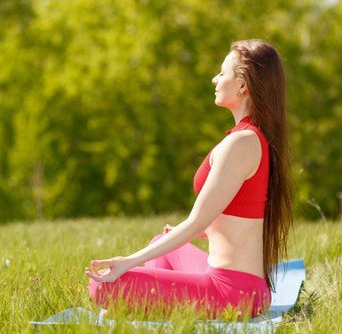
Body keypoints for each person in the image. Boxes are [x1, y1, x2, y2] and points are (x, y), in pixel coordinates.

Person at [85, 39, 293, 319]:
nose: (214, 79)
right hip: (239, 286)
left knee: (104, 288)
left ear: (243, 85)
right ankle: (151, 304)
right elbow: (234, 218)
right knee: (161, 241)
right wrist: (196, 233)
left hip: (233, 294)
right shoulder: (249, 139)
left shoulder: (242, 143)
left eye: (222, 73)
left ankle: (145, 304)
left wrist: (127, 262)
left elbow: (196, 221)